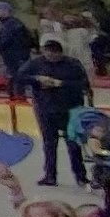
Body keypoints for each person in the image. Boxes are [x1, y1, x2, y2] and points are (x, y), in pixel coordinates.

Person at [24, 39, 93, 187]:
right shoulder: (36, 64)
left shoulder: (73, 64)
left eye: (54, 53)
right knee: (49, 143)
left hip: (71, 109)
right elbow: (20, 77)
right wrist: (37, 80)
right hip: (45, 109)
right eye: (48, 52)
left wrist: (60, 84)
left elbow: (83, 84)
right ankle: (50, 175)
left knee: (73, 144)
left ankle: (80, 176)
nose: (51, 56)